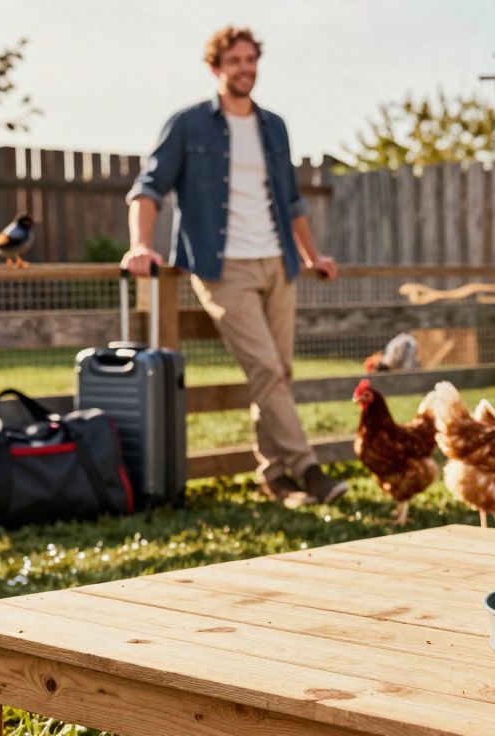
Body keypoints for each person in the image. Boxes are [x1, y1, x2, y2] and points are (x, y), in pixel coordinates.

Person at [123, 26, 347, 506]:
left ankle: (275, 476)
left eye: (251, 59)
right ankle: (308, 469)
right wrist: (141, 245)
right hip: (222, 267)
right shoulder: (188, 125)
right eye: (235, 61)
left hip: (279, 263)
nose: (245, 68)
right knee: (266, 367)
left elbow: (291, 200)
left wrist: (312, 256)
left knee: (278, 371)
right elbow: (148, 187)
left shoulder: (274, 126)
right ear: (215, 68)